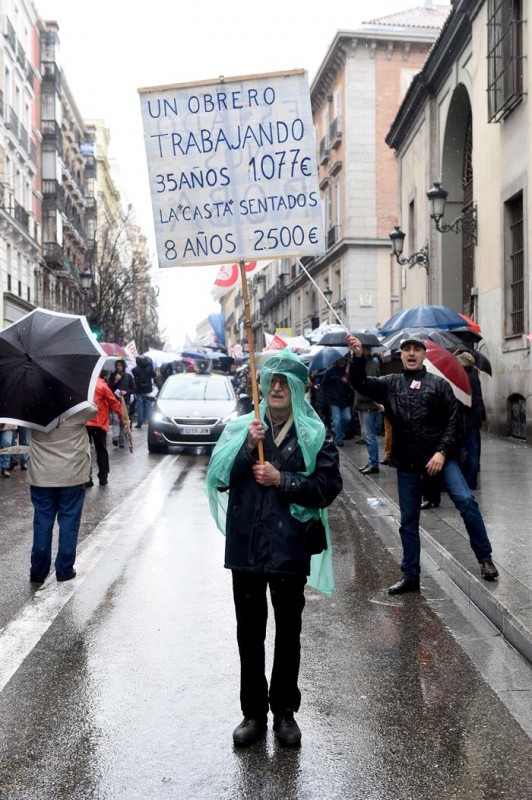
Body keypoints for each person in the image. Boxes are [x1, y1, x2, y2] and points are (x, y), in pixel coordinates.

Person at [206, 349, 342, 747]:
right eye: (272, 381)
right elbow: (219, 479)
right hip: (246, 548)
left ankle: (284, 712)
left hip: (289, 548)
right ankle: (253, 713)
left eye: (286, 382)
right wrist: (247, 449)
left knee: (288, 633)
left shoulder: (315, 434)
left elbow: (328, 487)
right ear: (262, 387)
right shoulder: (243, 429)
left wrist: (283, 479)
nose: (278, 388)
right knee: (249, 634)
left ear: (298, 389)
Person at [347, 334, 499, 594]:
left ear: (424, 355)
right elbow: (359, 382)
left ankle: (485, 558)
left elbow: (454, 422)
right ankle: (410, 576)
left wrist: (441, 452)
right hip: (408, 463)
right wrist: (358, 357)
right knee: (408, 520)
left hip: (441, 458)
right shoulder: (390, 384)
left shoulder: (439, 385)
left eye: (416, 349)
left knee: (466, 501)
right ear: (401, 355)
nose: (411, 353)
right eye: (407, 349)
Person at [27, 405, 97, 583]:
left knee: (42, 521)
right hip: (71, 474)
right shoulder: (78, 409)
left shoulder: (31, 409)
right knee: (69, 522)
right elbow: (94, 410)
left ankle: (38, 571)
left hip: (41, 475)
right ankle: (64, 569)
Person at [86, 373, 124, 487]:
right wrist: (123, 417)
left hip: (84, 422)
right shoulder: (102, 385)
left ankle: (87, 478)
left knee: (85, 451)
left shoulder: (83, 384)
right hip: (99, 422)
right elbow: (113, 402)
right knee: (101, 449)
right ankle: (103, 476)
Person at [456, 351, 486, 490]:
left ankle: (469, 481)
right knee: (473, 449)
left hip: (466, 418)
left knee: (468, 450)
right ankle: (472, 480)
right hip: (474, 418)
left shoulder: (464, 376)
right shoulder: (474, 375)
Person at [353, 346, 382, 474]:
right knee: (369, 435)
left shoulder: (369, 364)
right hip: (366, 404)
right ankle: (372, 462)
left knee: (369, 435)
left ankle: (373, 463)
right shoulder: (369, 363)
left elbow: (369, 385)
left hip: (368, 404)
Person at [320, 356, 353, 447]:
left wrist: (346, 381)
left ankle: (339, 432)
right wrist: (329, 396)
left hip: (345, 400)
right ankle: (339, 439)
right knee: (337, 420)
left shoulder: (347, 372)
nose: (342, 361)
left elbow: (352, 386)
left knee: (347, 418)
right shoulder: (330, 372)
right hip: (334, 400)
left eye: (343, 360)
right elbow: (323, 385)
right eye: (340, 359)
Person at [107, 359, 135, 448]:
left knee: (123, 421)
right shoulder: (113, 375)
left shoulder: (128, 376)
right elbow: (109, 388)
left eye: (120, 365)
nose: (118, 367)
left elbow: (134, 389)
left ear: (123, 366)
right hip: (115, 401)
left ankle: (122, 440)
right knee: (116, 420)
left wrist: (126, 392)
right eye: (117, 365)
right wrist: (115, 381)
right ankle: (115, 438)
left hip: (125, 401)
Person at [132, 355, 157, 428]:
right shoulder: (149, 369)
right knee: (148, 406)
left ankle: (140, 422)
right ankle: (150, 422)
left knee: (140, 407)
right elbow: (154, 375)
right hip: (148, 390)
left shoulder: (135, 370)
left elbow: (134, 374)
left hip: (139, 390)